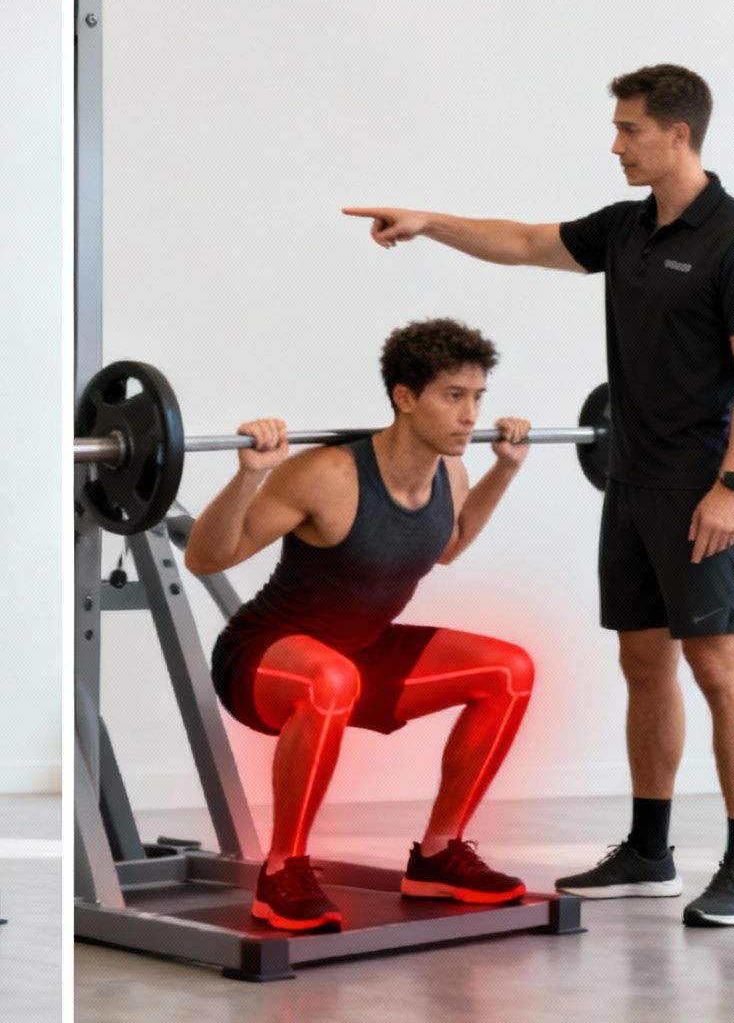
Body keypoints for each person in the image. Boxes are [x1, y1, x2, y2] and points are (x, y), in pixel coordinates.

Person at [345, 64, 734, 926]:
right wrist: (429, 224)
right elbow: (528, 242)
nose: (616, 145)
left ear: (678, 134)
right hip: (630, 481)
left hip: (700, 490)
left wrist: (731, 486)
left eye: (630, 129)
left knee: (720, 670)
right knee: (644, 664)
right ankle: (650, 852)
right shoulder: (629, 228)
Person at [184, 319, 535, 932]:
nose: (470, 415)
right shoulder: (328, 474)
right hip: (264, 659)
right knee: (331, 679)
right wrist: (250, 474)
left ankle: (438, 855)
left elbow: (448, 545)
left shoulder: (449, 470)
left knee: (510, 671)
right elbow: (205, 558)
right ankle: (282, 870)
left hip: (361, 654)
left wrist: (504, 470)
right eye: (454, 396)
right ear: (405, 397)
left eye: (478, 397)